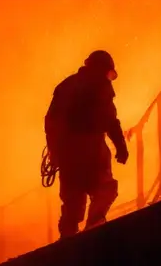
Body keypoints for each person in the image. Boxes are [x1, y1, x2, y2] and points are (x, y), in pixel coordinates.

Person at [44, 50, 129, 238]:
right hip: (91, 148)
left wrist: (55, 152)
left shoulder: (66, 86)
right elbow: (110, 119)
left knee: (73, 202)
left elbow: (51, 121)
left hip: (68, 152)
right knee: (105, 188)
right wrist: (120, 146)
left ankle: (68, 241)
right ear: (100, 68)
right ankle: (92, 230)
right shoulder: (100, 86)